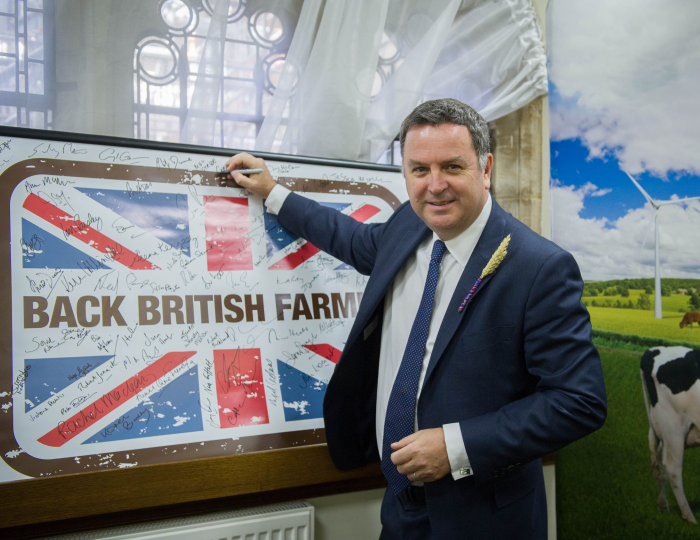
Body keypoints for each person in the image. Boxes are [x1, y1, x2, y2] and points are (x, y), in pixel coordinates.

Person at [227, 98, 606, 540]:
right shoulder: (408, 224)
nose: (435, 186)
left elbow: (578, 401)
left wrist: (455, 446)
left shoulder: (539, 268)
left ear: (485, 169)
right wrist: (273, 192)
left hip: (484, 519)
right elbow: (349, 237)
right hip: (400, 509)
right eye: (420, 169)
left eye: (452, 167)